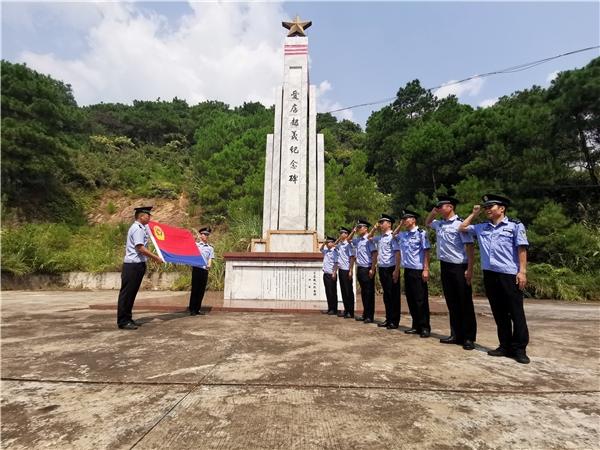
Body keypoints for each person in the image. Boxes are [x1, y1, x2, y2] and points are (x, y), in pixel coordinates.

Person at [459, 194, 531, 364]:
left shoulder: (515, 226)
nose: (487, 210)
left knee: (516, 312)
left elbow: (522, 249)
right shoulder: (482, 227)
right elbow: (462, 228)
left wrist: (523, 272)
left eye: (490, 207)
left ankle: (519, 348)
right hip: (490, 274)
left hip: (509, 274)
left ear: (502, 208)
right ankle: (504, 345)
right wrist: (474, 214)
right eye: (485, 207)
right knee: (499, 312)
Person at [425, 196, 477, 350]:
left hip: (459, 267)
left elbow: (470, 247)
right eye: (438, 207)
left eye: (441, 207)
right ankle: (456, 334)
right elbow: (427, 223)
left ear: (450, 207)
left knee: (465, 302)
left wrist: (470, 268)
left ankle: (468, 337)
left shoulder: (460, 224)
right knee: (452, 302)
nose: (439, 209)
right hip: (445, 266)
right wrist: (433, 212)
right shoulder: (440, 224)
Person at [116, 206, 162, 330]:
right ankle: (123, 321)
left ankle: (128, 318)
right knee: (127, 294)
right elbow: (140, 248)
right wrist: (155, 258)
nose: (150, 218)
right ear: (141, 216)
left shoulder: (141, 227)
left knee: (131, 293)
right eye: (148, 216)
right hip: (132, 266)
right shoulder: (137, 228)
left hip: (138, 265)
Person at [394, 210, 432, 338]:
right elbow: (394, 235)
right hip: (408, 270)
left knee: (420, 299)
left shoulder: (421, 233)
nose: (405, 221)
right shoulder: (403, 234)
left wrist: (426, 269)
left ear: (413, 220)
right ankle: (415, 325)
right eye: (403, 219)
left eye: (407, 219)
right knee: (410, 299)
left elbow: (426, 252)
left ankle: (425, 327)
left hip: (418, 270)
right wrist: (399, 225)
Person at [371, 214, 401, 329]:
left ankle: (394, 321)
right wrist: (374, 228)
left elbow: (398, 253)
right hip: (382, 268)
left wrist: (397, 270)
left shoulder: (393, 237)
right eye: (380, 222)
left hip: (391, 268)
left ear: (389, 224)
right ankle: (388, 319)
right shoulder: (380, 237)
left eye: (382, 222)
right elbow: (369, 237)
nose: (380, 224)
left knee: (393, 295)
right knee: (386, 295)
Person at [348, 219, 378, 324]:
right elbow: (348, 240)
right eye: (358, 227)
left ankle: (370, 316)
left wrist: (372, 269)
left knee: (369, 293)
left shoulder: (369, 240)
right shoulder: (358, 240)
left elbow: (374, 254)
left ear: (366, 228)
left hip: (367, 268)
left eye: (360, 227)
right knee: (364, 293)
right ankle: (365, 314)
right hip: (360, 268)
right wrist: (353, 231)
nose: (359, 229)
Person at [188, 227, 215, 316]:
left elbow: (210, 258)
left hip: (204, 270)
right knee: (195, 289)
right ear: (200, 235)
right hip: (196, 269)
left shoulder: (210, 248)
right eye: (204, 234)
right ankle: (192, 309)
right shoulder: (196, 245)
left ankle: (197, 309)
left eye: (207, 235)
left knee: (201, 290)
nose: (205, 236)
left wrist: (209, 265)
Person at [335, 227, 356, 318]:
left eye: (343, 233)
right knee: (343, 291)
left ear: (347, 234)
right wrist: (339, 239)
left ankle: (350, 312)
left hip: (347, 269)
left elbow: (352, 258)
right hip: (341, 270)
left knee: (348, 291)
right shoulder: (340, 245)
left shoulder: (349, 245)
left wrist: (351, 270)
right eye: (340, 233)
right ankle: (346, 309)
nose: (341, 234)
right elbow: (333, 245)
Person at [320, 236, 339, 315]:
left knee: (332, 292)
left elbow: (336, 263)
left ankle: (334, 309)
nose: (327, 244)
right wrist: (324, 243)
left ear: (332, 243)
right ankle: (330, 308)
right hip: (326, 274)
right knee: (328, 292)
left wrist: (334, 273)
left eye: (329, 242)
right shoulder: (326, 251)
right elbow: (320, 249)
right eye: (327, 242)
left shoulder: (334, 251)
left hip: (331, 274)